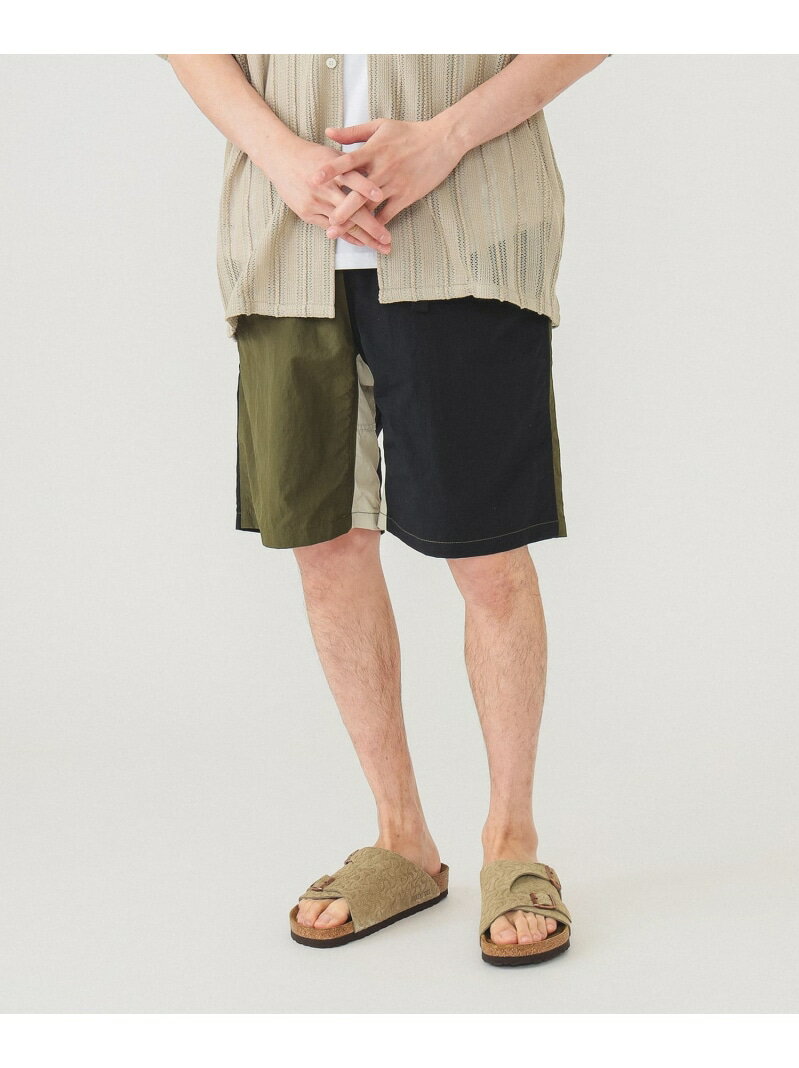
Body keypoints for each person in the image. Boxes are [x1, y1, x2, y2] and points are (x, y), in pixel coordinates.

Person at [158, 52, 610, 966]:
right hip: (286, 242)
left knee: (488, 553)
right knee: (324, 546)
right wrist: (284, 157)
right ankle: (401, 837)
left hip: (465, 228)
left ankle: (512, 842)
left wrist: (444, 139)